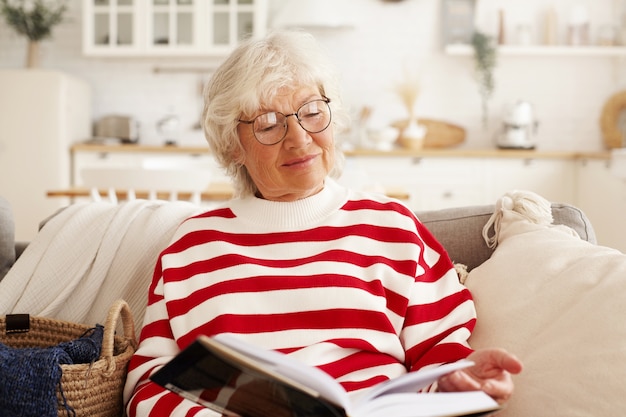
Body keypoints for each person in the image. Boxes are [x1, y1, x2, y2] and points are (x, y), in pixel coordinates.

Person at [123, 30, 523, 417]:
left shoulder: (393, 227)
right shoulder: (192, 246)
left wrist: (461, 382)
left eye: (312, 112)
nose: (300, 138)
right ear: (232, 146)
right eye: (267, 124)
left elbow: (443, 351)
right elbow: (147, 384)